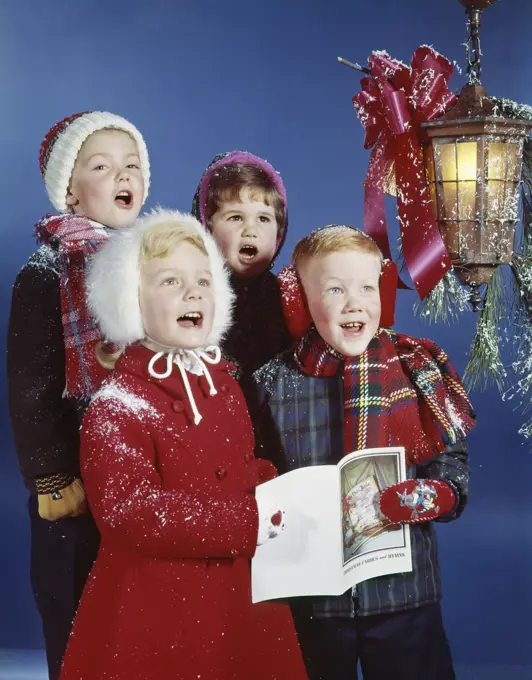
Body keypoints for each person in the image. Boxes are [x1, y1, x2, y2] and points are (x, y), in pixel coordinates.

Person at [59, 208, 308, 680]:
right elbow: (128, 512)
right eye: (170, 282)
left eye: (203, 281)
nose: (193, 292)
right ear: (129, 301)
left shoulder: (225, 384)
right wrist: (247, 520)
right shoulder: (117, 405)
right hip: (159, 604)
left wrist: (268, 486)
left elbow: (239, 463)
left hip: (239, 593)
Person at [251, 225, 476, 680]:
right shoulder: (271, 383)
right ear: (300, 300)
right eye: (335, 289)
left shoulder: (415, 369)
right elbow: (253, 472)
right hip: (311, 600)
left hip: (403, 594)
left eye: (366, 287)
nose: (354, 302)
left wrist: (438, 494)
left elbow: (451, 463)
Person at [7, 111, 150, 680]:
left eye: (132, 166)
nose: (123, 176)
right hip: (76, 482)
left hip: (137, 472)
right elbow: (31, 386)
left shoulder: (156, 263)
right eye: (102, 166)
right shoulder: (47, 272)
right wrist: (50, 476)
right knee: (75, 607)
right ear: (69, 189)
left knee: (135, 613)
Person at [192, 151, 292, 380]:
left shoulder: (289, 300)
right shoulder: (196, 293)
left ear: (279, 233)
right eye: (236, 217)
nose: (251, 230)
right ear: (208, 227)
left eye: (264, 218)